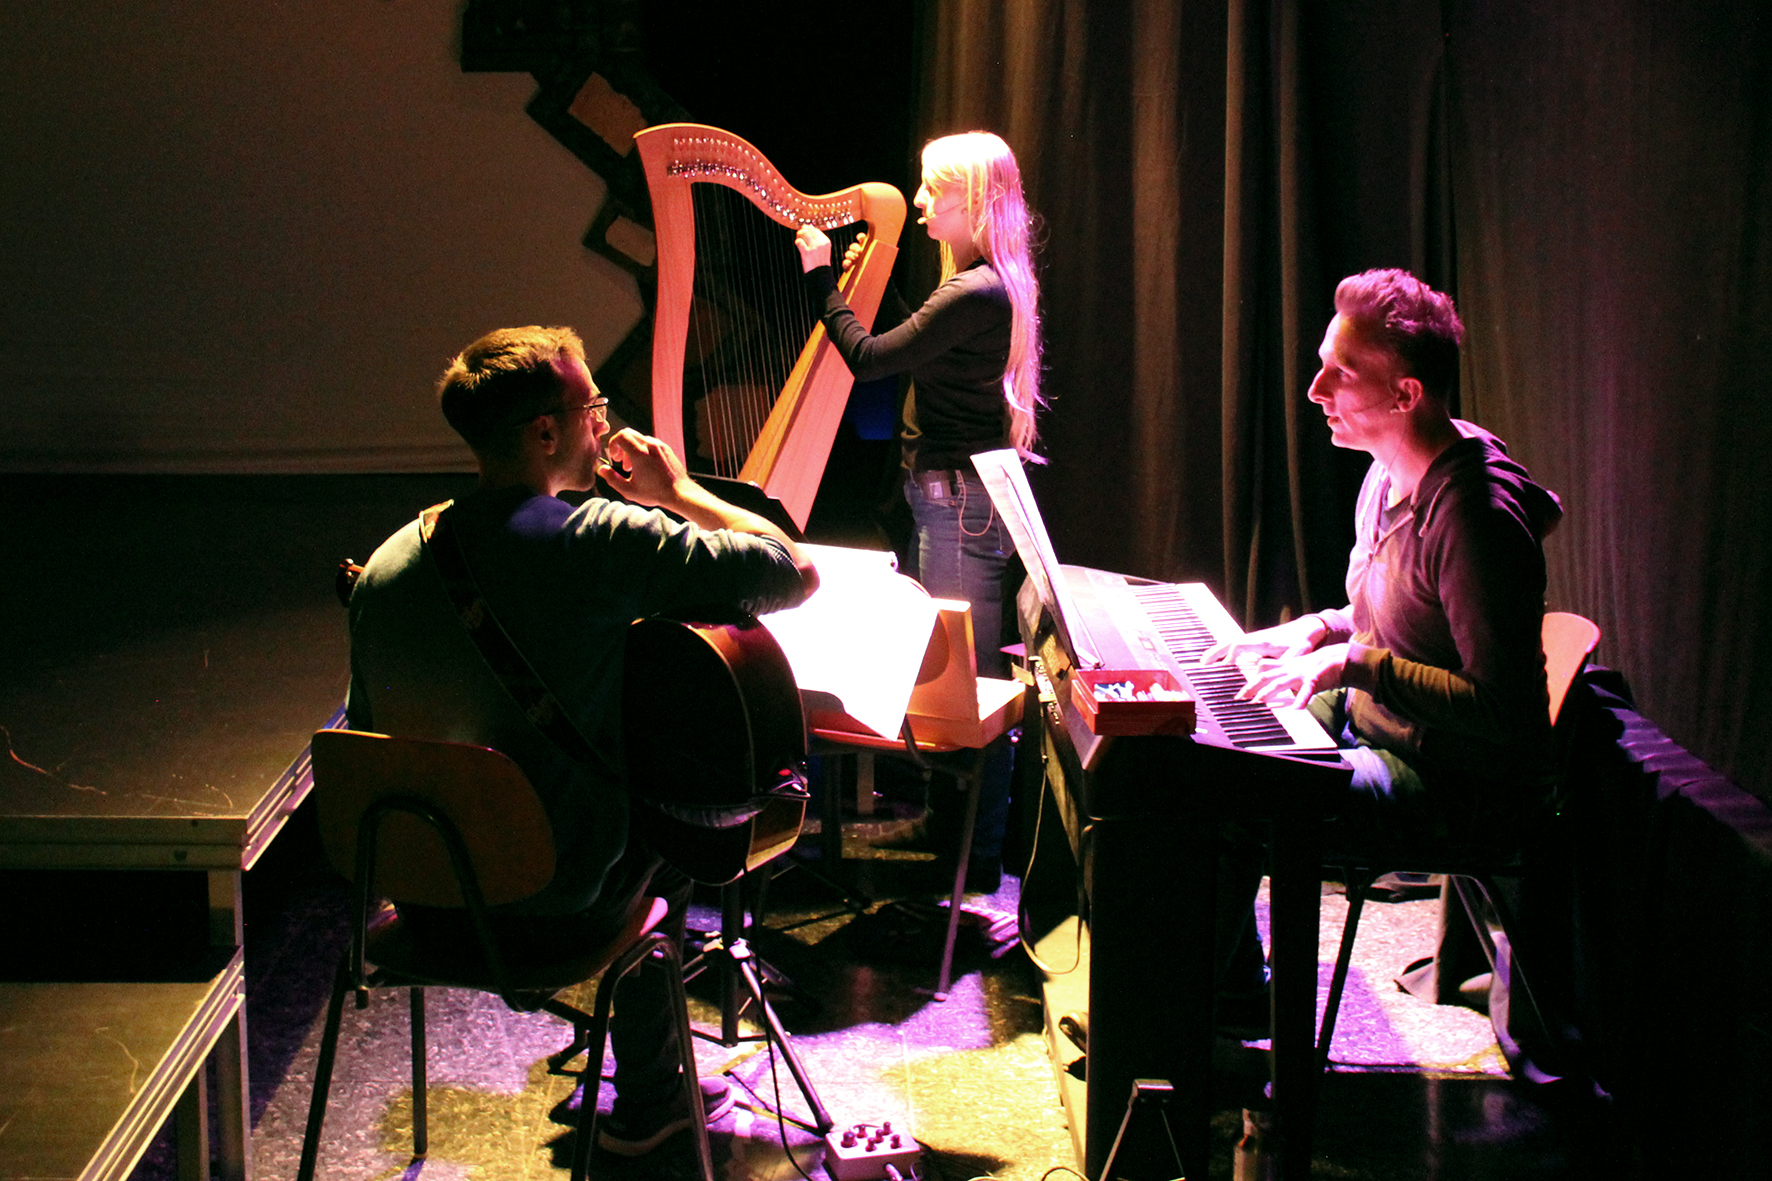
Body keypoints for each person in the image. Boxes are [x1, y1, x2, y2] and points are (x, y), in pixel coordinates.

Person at [345, 326, 817, 1156]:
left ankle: (634, 1066)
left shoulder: (385, 564)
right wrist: (677, 492)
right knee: (679, 828)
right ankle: (651, 1094)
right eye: (591, 406)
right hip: (555, 907)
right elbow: (791, 569)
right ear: (544, 432)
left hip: (421, 901)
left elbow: (367, 733)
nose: (603, 423)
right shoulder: (595, 538)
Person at [1204, 269, 1563, 1033]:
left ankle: (1199, 1009)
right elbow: (1398, 618)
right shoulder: (1385, 472)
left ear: (1405, 394)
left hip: (1450, 780)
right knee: (1218, 742)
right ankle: (1217, 990)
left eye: (1342, 371)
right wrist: (1320, 629)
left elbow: (1504, 711)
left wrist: (1351, 663)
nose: (1315, 390)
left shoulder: (1474, 517)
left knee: (1237, 804)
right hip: (1381, 722)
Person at [793, 131, 1042, 892]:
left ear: (977, 199)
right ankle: (957, 833)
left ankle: (974, 852)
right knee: (960, 678)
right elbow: (915, 343)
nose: (922, 199)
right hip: (961, 500)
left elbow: (871, 359)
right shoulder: (979, 285)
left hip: (959, 504)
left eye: (936, 188)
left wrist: (818, 279)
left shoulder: (973, 291)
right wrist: (862, 287)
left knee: (965, 687)